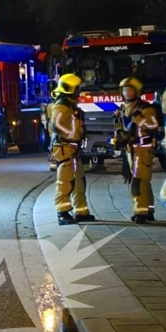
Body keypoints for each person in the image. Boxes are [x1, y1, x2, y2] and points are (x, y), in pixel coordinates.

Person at [115, 77, 161, 223]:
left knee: (138, 181)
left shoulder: (145, 108)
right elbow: (122, 129)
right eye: (124, 90)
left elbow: (154, 126)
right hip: (130, 150)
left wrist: (138, 121)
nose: (127, 93)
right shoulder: (123, 108)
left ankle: (140, 212)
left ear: (137, 91)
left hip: (143, 148)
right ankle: (149, 210)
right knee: (144, 181)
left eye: (130, 90)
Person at [49, 73, 93, 225]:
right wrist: (72, 135)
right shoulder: (62, 105)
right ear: (71, 88)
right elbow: (56, 125)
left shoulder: (69, 104)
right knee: (66, 181)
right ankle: (62, 212)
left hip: (72, 149)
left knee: (78, 181)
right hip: (65, 148)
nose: (79, 91)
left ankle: (81, 211)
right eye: (77, 88)